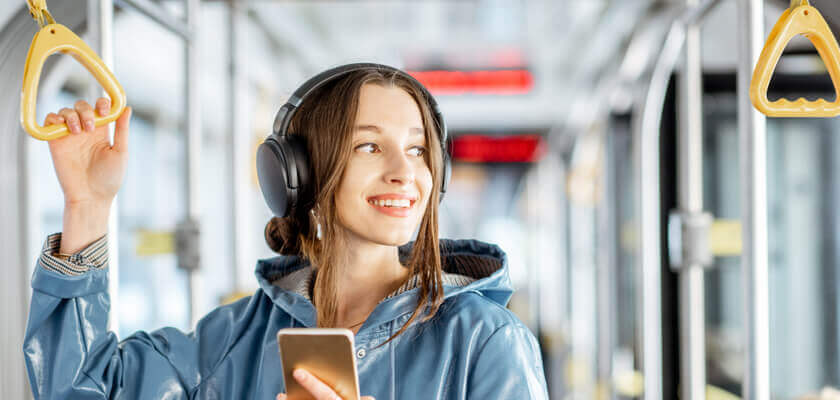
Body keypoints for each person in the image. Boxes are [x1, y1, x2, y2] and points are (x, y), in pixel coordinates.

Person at [23, 63, 549, 400]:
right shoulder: (238, 338)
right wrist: (87, 207)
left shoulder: (485, 341)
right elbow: (83, 389)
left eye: (416, 149)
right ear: (297, 174)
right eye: (369, 146)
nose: (404, 171)